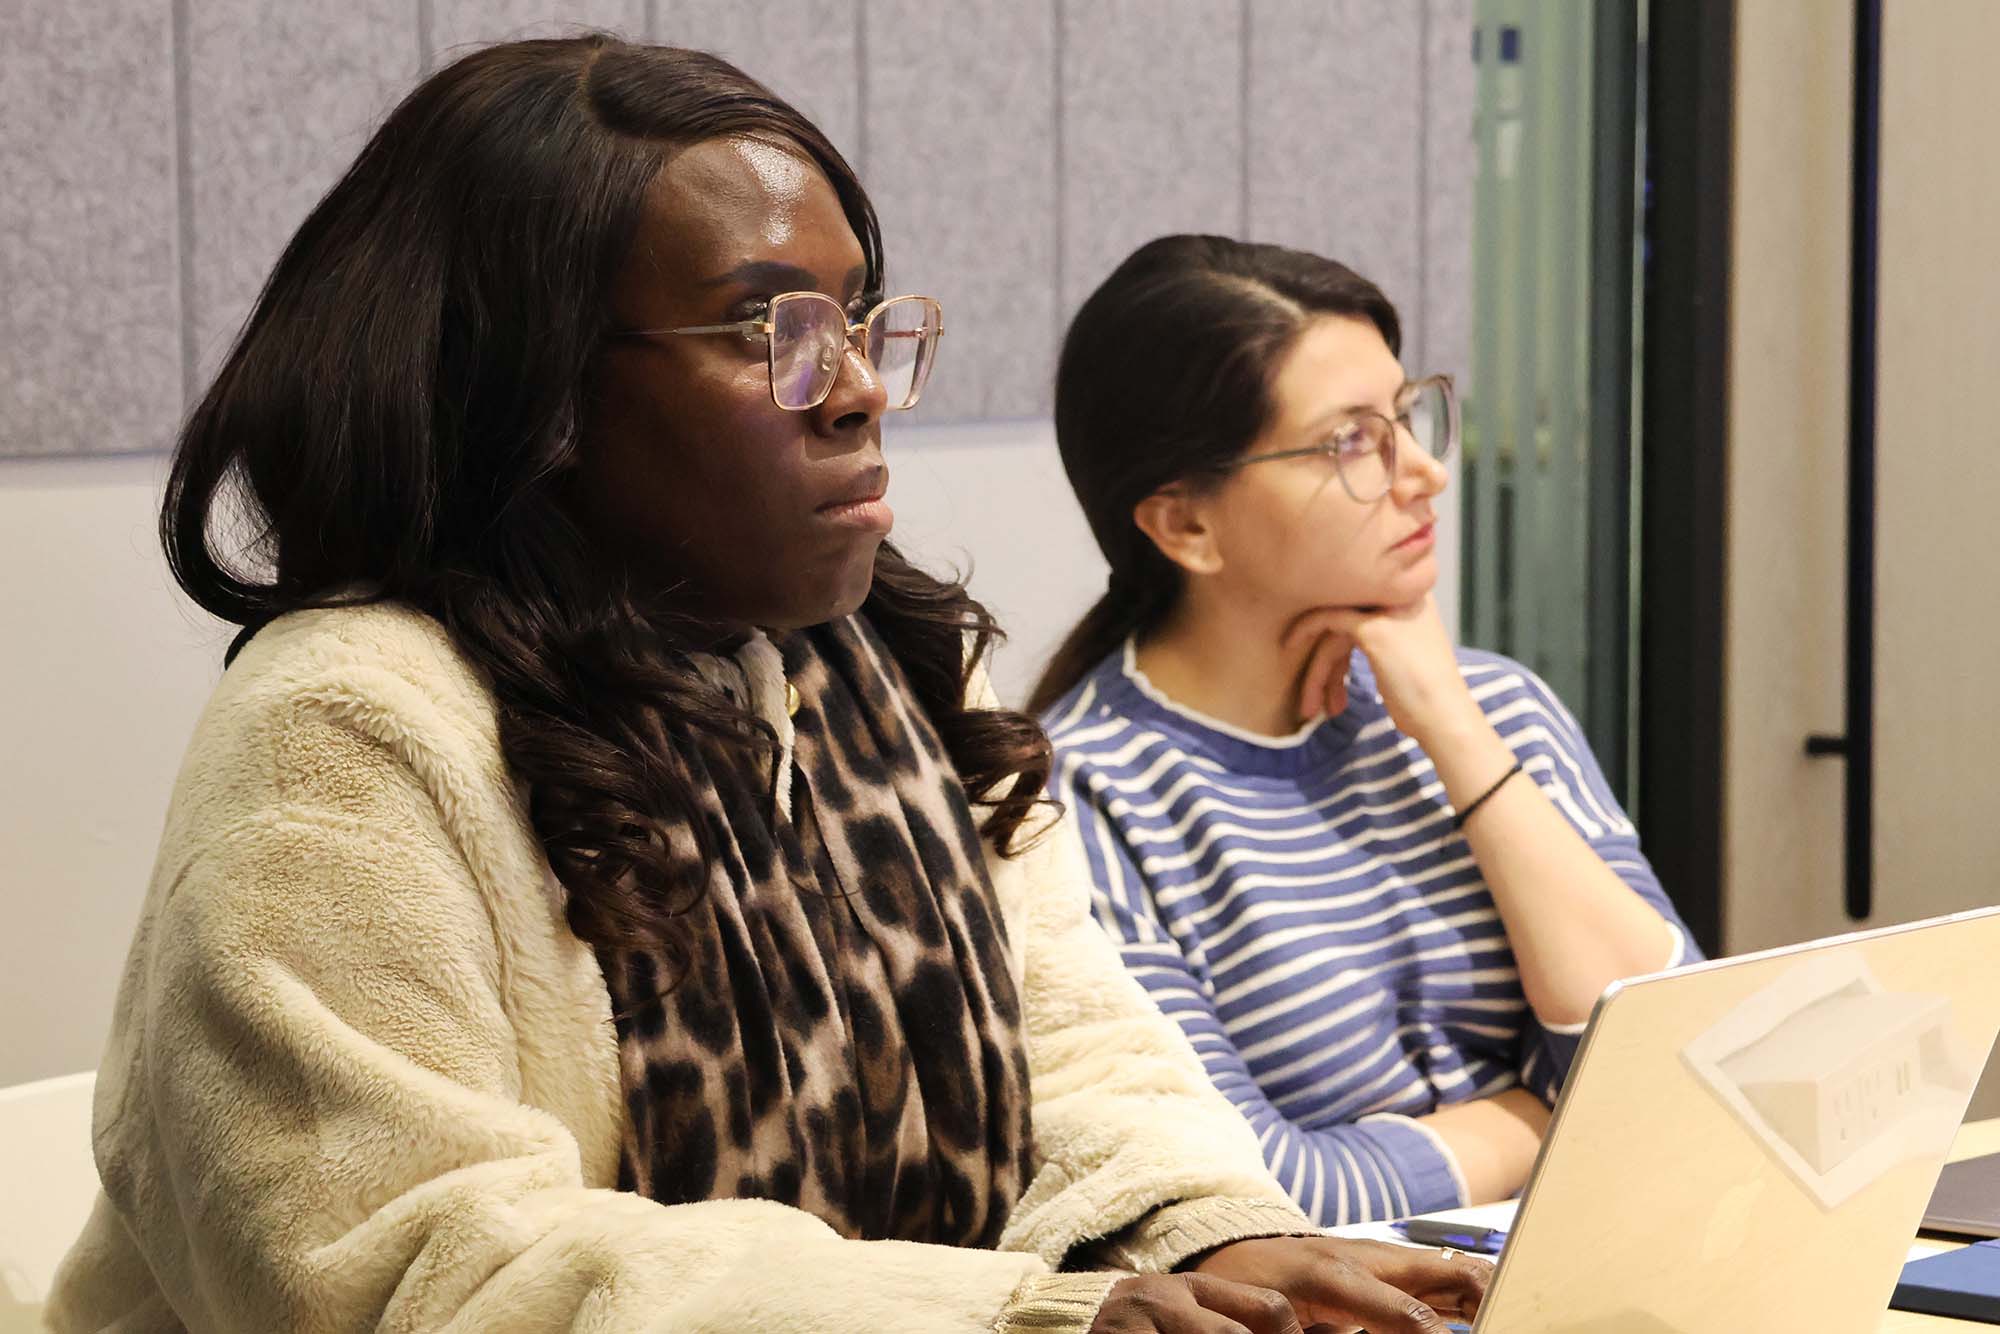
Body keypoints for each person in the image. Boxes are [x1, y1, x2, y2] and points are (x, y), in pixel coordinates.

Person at [46, 38, 1489, 1334]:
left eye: (858, 320)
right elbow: (420, 1276)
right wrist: (1028, 1319)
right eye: (768, 330)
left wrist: (1215, 1235)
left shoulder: (901, 672)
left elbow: (1078, 1053)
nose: (857, 385)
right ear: (533, 390)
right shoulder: (348, 731)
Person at [1030, 235, 1699, 1227]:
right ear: (1184, 527)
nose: (1423, 471)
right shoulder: (1077, 798)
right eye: (1350, 440)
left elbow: (1683, 1061)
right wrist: (1550, 1117)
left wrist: (1452, 733)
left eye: (1405, 415)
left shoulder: (1490, 704)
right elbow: (1250, 1185)